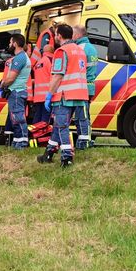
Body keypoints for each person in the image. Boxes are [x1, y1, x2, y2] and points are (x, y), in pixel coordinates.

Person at [38, 24, 88, 167]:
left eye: (55, 34)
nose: (54, 37)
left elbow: (57, 76)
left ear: (59, 36)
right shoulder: (80, 50)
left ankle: (67, 157)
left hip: (64, 95)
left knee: (61, 126)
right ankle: (48, 153)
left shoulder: (61, 51)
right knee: (58, 125)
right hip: (79, 95)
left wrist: (49, 94)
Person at [0, 33, 30, 149]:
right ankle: (17, 142)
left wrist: (2, 85)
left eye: (10, 42)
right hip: (18, 91)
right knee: (15, 119)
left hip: (16, 92)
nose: (9, 44)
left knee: (18, 118)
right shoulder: (22, 57)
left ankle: (22, 143)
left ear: (15, 44)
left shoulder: (19, 58)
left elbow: (11, 78)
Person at [73, 24, 97, 149]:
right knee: (85, 114)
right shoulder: (92, 48)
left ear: (78, 35)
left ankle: (84, 141)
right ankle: (87, 139)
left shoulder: (79, 48)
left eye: (72, 34)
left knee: (81, 116)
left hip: (81, 87)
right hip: (90, 86)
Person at [30, 30, 55, 124]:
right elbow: (55, 77)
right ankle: (42, 134)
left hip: (38, 97)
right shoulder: (51, 60)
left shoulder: (38, 63)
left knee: (37, 118)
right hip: (48, 96)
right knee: (45, 121)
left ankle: (34, 133)